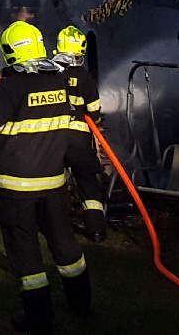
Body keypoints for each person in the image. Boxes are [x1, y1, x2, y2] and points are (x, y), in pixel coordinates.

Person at [0, 21, 91, 335]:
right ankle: (82, 305)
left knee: (25, 252)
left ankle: (39, 319)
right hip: (54, 183)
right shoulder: (58, 81)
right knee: (65, 245)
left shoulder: (11, 88)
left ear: (10, 52)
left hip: (16, 188)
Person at [54, 25, 107, 242]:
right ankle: (95, 230)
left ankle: (56, 226)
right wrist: (95, 121)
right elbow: (94, 109)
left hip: (54, 137)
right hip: (78, 139)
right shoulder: (85, 77)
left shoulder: (49, 75)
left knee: (55, 183)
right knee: (87, 184)